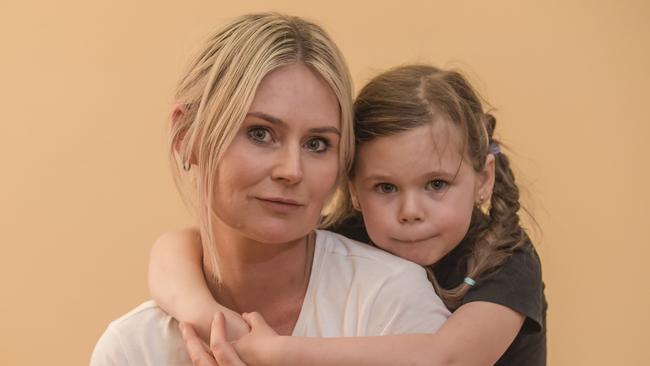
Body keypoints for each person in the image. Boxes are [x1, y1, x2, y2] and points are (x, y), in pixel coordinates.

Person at [90, 14, 449, 366]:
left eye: (317, 144)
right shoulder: (134, 348)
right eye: (260, 133)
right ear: (187, 137)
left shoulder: (390, 301)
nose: (291, 171)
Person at [151, 65, 547, 365]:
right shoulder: (352, 238)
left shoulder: (507, 258)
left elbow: (446, 358)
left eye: (437, 185)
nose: (410, 212)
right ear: (353, 188)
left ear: (483, 179)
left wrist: (279, 353)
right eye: (386, 188)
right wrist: (208, 317)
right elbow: (174, 249)